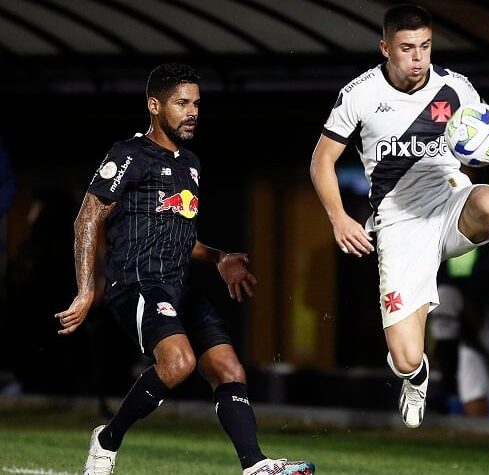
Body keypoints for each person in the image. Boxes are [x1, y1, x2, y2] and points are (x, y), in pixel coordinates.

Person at [310, 4, 489, 429]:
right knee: (406, 355)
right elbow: (321, 161)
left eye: (425, 46)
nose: (418, 58)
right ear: (385, 48)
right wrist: (338, 218)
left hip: (449, 205)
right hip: (398, 225)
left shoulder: (455, 87)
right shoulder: (359, 95)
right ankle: (416, 376)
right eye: (407, 48)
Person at [57, 64, 315, 475]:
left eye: (196, 103)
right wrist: (86, 290)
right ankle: (107, 439)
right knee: (179, 364)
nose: (192, 111)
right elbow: (87, 219)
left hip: (178, 285)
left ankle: (255, 464)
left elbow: (177, 236)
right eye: (182, 103)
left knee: (229, 368)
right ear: (154, 105)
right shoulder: (128, 155)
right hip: (138, 283)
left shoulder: (191, 163)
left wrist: (218, 257)